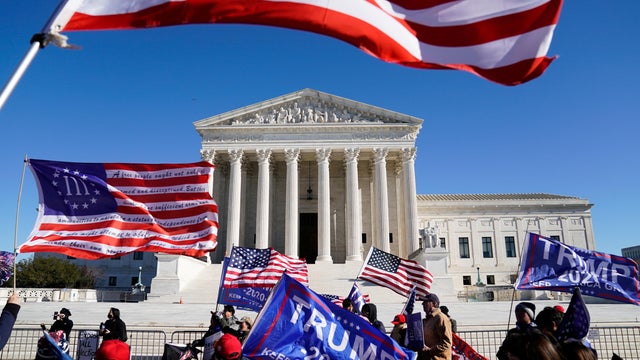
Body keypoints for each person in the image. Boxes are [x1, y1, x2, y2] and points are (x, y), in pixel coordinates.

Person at [419, 293, 452, 360]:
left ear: (434, 304)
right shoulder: (428, 319)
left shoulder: (441, 318)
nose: (423, 304)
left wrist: (430, 350)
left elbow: (447, 342)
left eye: (426, 302)